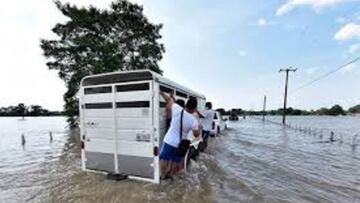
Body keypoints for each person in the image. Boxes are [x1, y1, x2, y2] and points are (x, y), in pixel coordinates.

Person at [159, 92, 200, 179]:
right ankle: (171, 176)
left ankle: (162, 176)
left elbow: (169, 99)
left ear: (186, 105)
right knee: (175, 161)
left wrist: (162, 93)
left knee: (164, 159)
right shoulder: (194, 121)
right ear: (194, 109)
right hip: (180, 144)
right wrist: (199, 128)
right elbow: (196, 135)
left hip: (169, 141)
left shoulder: (177, 109)